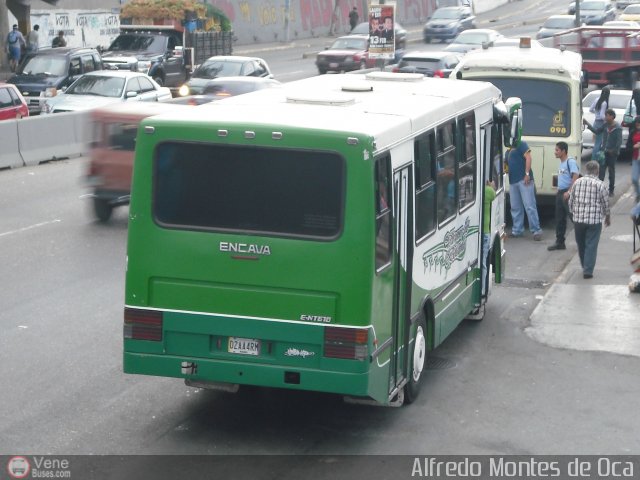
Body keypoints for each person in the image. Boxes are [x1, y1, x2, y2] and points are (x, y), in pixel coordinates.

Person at [568, 160, 611, 279]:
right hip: (594, 220)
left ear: (586, 170)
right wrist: (607, 217)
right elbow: (605, 203)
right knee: (591, 244)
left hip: (579, 219)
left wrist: (573, 214)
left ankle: (584, 265)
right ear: (597, 170)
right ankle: (588, 270)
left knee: (581, 243)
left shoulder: (577, 183)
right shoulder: (601, 185)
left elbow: (571, 200)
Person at [506, 140, 543, 241]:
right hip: (513, 181)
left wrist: (527, 174)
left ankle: (536, 230)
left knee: (529, 206)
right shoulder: (508, 150)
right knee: (515, 207)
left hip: (523, 180)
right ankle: (517, 230)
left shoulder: (521, 144)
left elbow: (528, 158)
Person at [548, 141, 580, 251]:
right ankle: (560, 242)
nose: (555, 152)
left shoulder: (570, 161)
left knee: (573, 217)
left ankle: (582, 240)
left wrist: (569, 191)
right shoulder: (562, 163)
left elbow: (575, 175)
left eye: (557, 150)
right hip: (560, 193)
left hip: (567, 193)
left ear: (563, 151)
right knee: (560, 218)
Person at [584, 108, 622, 197]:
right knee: (601, 172)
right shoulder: (605, 125)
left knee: (611, 172)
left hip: (612, 154)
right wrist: (588, 125)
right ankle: (599, 190)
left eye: (607, 115)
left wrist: (614, 151)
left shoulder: (617, 128)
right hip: (604, 153)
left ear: (612, 116)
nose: (605, 117)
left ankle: (611, 190)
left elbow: (619, 142)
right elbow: (597, 132)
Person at [482, 180, 496, 295]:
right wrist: (491, 186)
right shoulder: (488, 191)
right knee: (483, 263)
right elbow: (494, 195)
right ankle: (482, 290)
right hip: (485, 232)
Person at [589, 86, 610, 160]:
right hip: (601, 123)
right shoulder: (604, 103)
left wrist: (596, 114)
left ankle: (594, 158)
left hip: (595, 122)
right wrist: (607, 120)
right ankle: (594, 159)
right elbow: (602, 115)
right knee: (599, 143)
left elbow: (590, 109)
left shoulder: (597, 99)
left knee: (597, 142)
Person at [623, 88, 640, 156]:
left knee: (633, 139)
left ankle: (633, 156)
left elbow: (627, 112)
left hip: (632, 123)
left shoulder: (631, 102)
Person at [631, 116, 640, 203]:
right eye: (637, 123)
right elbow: (628, 145)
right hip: (635, 158)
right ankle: (638, 194)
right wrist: (633, 147)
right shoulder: (633, 132)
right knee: (634, 179)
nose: (638, 124)